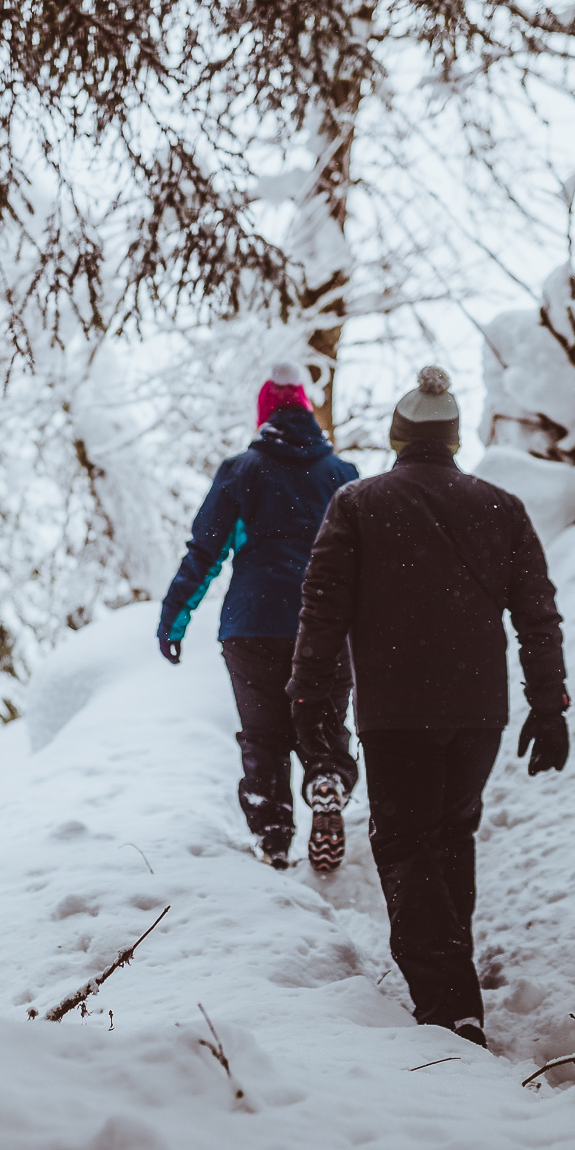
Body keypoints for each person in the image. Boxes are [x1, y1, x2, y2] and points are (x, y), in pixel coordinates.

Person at [288, 365, 569, 1049]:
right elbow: (537, 614)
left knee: (407, 842)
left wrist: (307, 694)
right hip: (479, 711)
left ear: (398, 437)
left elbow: (322, 609)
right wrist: (549, 701)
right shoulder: (500, 507)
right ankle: (452, 980)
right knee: (449, 838)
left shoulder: (358, 505)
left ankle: (448, 1004)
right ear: (450, 439)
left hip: (396, 712)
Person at [158, 360, 361, 872]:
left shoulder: (242, 472)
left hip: (253, 626)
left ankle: (273, 839)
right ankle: (327, 777)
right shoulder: (343, 477)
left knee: (264, 735)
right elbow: (366, 561)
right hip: (327, 625)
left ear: (263, 416)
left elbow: (205, 552)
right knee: (325, 722)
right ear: (310, 416)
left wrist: (173, 619)